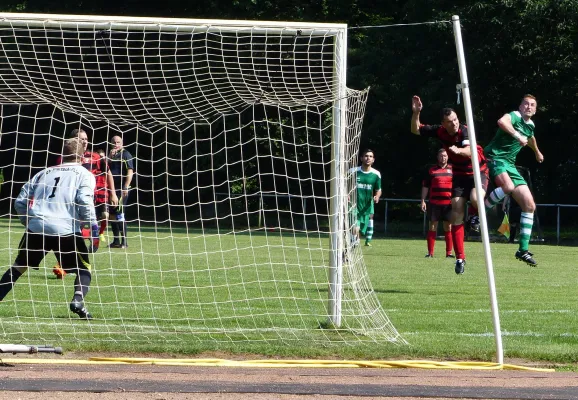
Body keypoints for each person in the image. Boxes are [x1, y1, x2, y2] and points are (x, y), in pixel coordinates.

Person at [0, 138, 98, 319]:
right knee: (84, 269)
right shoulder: (84, 174)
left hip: (37, 226)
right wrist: (93, 227)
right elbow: (84, 201)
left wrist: (27, 222)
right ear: (82, 155)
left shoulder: (44, 173)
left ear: (62, 154)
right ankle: (77, 300)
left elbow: (20, 201)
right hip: (65, 228)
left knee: (19, 267)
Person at [411, 96, 489, 274]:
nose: (454, 124)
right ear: (443, 123)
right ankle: (460, 258)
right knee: (456, 210)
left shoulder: (464, 131)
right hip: (460, 175)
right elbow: (416, 129)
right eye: (449, 122)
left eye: (455, 120)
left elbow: (469, 151)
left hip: (478, 171)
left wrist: (458, 150)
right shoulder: (440, 132)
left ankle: (476, 215)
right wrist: (416, 113)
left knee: (476, 198)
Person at [483, 95, 544, 266]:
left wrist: (537, 152)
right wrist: (517, 136)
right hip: (494, 157)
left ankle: (522, 250)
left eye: (532, 105)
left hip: (509, 164)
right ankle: (479, 213)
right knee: (508, 187)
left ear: (535, 109)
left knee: (529, 205)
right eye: (526, 103)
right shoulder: (514, 116)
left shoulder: (530, 125)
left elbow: (530, 138)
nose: (528, 107)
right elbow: (502, 122)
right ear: (520, 105)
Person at [52, 129, 118, 279]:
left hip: (91, 198)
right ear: (72, 140)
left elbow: (108, 172)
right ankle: (64, 265)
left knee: (97, 221)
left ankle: (94, 239)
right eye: (80, 139)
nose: (84, 141)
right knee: (73, 233)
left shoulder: (94, 157)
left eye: (86, 139)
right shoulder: (65, 158)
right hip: (70, 201)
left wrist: (113, 193)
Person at [421, 149, 454, 258]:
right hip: (434, 203)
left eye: (444, 156)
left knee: (448, 227)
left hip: (448, 204)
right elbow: (425, 186)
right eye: (441, 156)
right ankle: (430, 253)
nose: (443, 158)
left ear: (447, 157)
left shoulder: (452, 170)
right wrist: (422, 200)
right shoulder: (431, 170)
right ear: (437, 157)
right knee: (432, 227)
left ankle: (449, 253)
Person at [108, 135, 134, 248]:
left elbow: (130, 171)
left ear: (122, 143)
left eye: (118, 142)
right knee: (112, 215)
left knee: (119, 214)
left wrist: (126, 186)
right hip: (111, 189)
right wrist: (109, 157)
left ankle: (124, 242)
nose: (116, 144)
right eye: (114, 142)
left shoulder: (126, 154)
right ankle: (116, 241)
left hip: (121, 189)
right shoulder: (111, 155)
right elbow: (105, 169)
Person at [352, 149, 382, 247]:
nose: (368, 158)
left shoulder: (376, 174)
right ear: (361, 158)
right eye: (366, 156)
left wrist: (377, 196)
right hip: (353, 204)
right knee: (354, 226)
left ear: (373, 160)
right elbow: (344, 185)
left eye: (370, 156)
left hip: (367, 205)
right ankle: (350, 246)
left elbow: (378, 189)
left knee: (362, 228)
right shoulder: (353, 172)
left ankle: (362, 240)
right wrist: (346, 194)